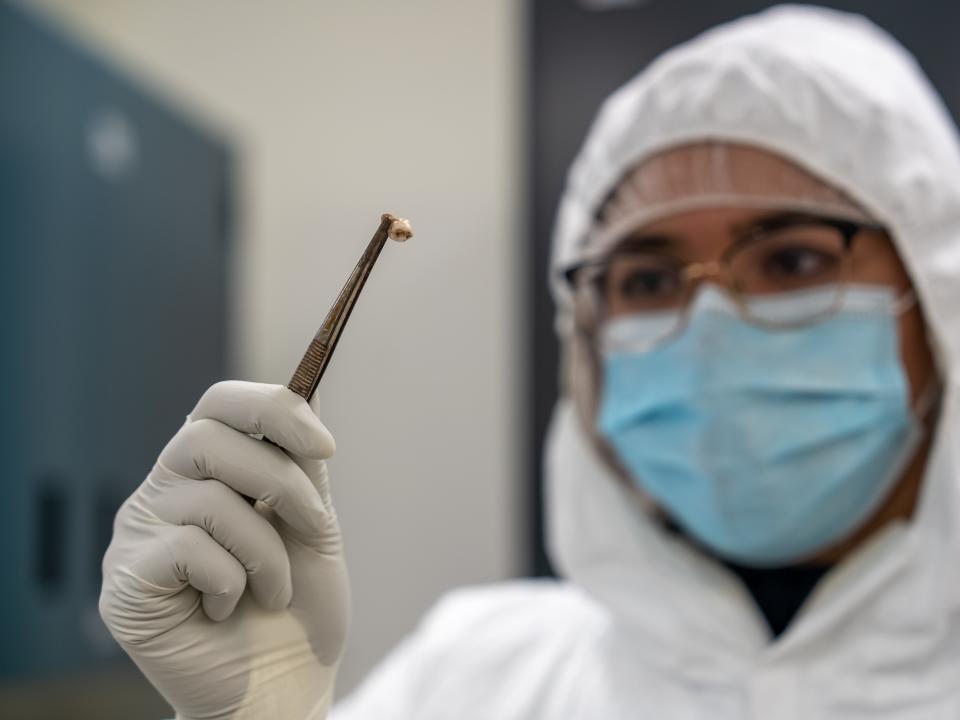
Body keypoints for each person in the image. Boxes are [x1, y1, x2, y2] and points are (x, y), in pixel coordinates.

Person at [99, 5, 960, 718]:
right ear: (583, 339)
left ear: (938, 301)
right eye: (649, 276)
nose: (709, 322)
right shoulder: (479, 679)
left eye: (795, 260)